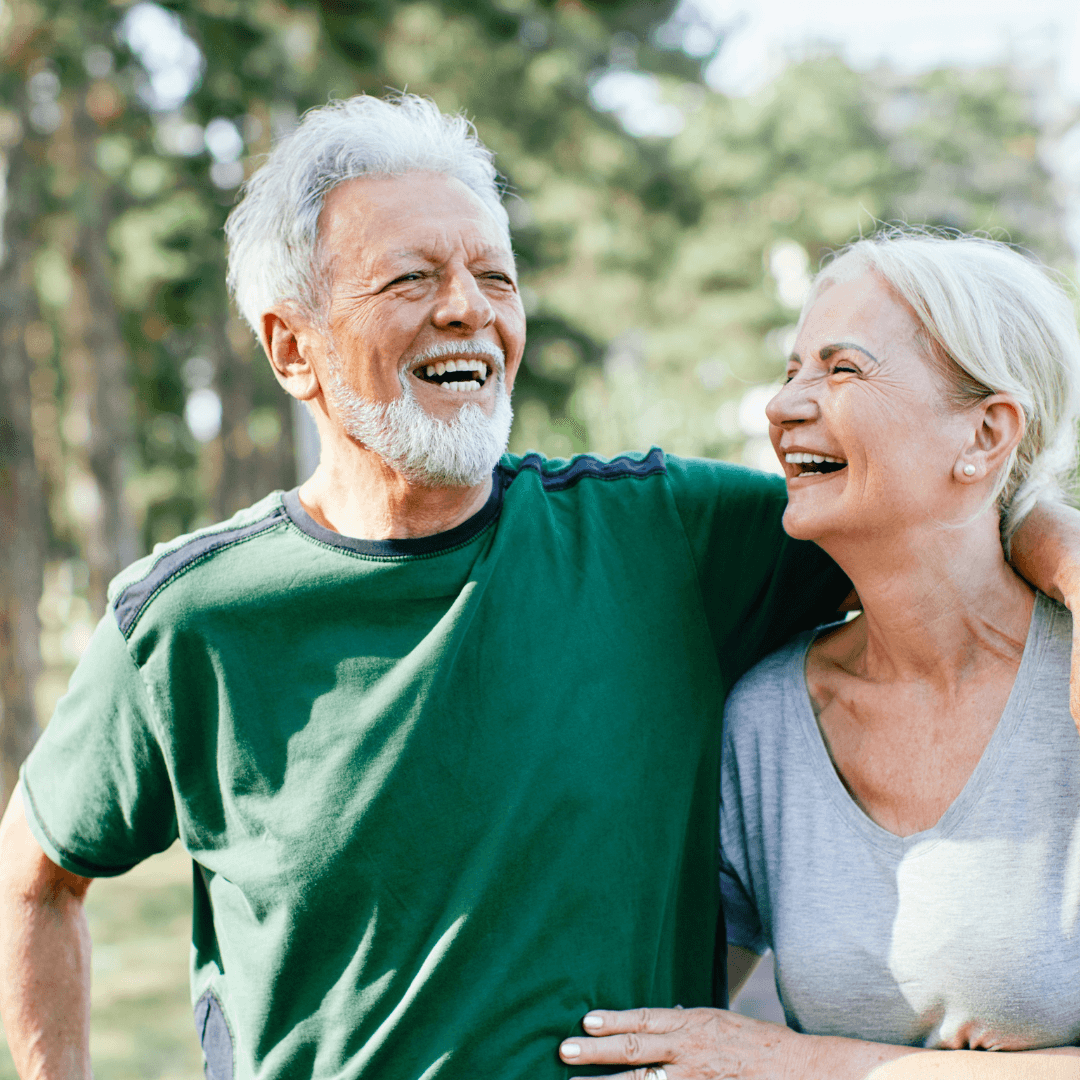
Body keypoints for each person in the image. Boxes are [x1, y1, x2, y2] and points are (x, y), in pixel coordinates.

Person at [0, 100, 1077, 1080]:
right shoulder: (196, 616)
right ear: (292, 348)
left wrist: (1066, 552)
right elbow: (35, 880)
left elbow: (924, 513)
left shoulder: (663, 536)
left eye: (496, 277)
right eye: (411, 279)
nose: (467, 310)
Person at [557, 231, 1080, 1079]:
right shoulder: (764, 722)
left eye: (841, 370)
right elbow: (676, 1023)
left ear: (985, 433)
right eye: (793, 368)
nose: (783, 406)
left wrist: (805, 1065)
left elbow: (754, 1059)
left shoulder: (1071, 693)